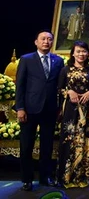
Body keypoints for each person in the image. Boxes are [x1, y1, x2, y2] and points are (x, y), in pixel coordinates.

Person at [15, 30, 64, 191]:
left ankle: (45, 177)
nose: (46, 42)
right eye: (43, 39)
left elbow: (60, 85)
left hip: (49, 109)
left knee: (47, 146)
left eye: (50, 39)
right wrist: (20, 108)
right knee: (27, 145)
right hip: (30, 109)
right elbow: (20, 85)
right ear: (36, 42)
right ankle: (26, 179)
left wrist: (60, 108)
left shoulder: (58, 61)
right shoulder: (26, 59)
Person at [56, 40, 89, 188]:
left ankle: (82, 177)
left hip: (86, 110)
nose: (81, 54)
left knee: (84, 141)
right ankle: (66, 177)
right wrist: (69, 91)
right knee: (68, 141)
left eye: (84, 51)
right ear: (73, 53)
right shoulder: (65, 70)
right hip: (70, 111)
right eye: (78, 51)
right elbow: (59, 89)